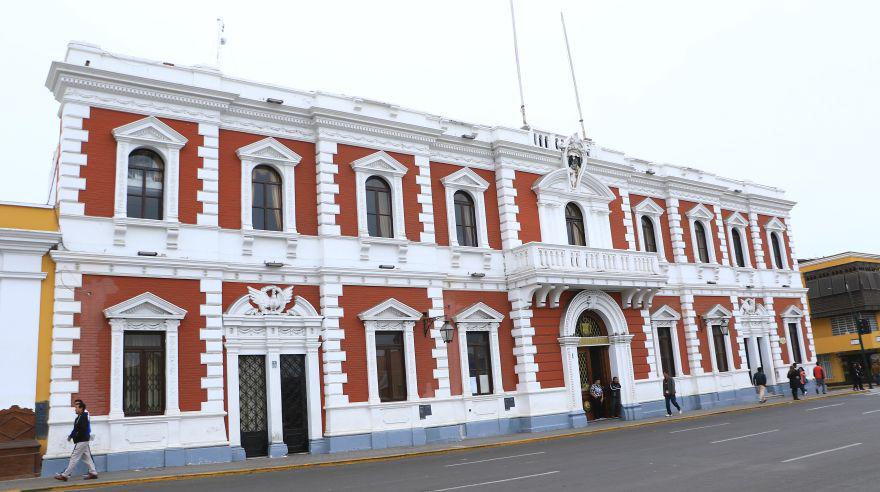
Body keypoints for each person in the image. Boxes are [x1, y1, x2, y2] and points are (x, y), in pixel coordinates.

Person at [55, 400, 97, 481]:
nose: (75, 409)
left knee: (74, 457)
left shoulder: (84, 417)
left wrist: (76, 435)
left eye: (76, 408)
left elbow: (83, 429)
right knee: (86, 457)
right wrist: (71, 436)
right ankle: (93, 473)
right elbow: (75, 429)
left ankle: (65, 475)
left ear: (81, 408)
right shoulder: (78, 417)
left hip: (82, 440)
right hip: (83, 440)